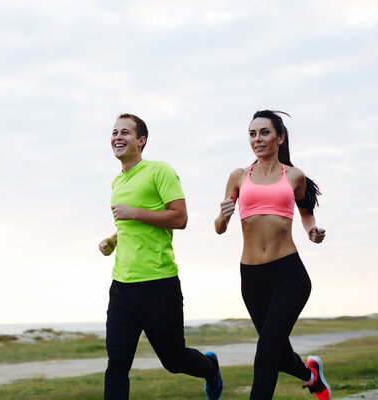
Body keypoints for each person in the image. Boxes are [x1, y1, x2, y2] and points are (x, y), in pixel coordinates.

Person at [99, 113, 223, 400]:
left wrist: (134, 213)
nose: (118, 137)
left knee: (174, 360)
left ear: (141, 141)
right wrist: (113, 240)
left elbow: (180, 218)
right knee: (116, 365)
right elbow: (129, 226)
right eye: (114, 132)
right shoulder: (117, 182)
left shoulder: (160, 171)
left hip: (159, 283)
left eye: (125, 132)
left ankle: (210, 368)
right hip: (122, 286)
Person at [214, 110, 331, 400]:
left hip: (288, 274)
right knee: (277, 354)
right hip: (252, 276)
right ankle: (311, 375)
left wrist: (312, 231)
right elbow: (218, 228)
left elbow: (306, 214)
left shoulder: (294, 176)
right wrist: (224, 216)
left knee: (265, 352)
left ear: (280, 137)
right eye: (252, 134)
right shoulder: (239, 176)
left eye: (264, 132)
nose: (257, 139)